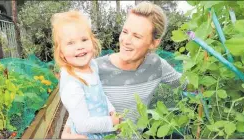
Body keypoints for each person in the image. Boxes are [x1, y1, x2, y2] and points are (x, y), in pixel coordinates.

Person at [62, 1, 184, 139]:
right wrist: (66, 134)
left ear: (154, 43)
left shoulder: (156, 66)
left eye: (137, 36)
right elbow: (77, 108)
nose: (126, 40)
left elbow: (187, 84)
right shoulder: (94, 68)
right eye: (125, 32)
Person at [51, 11, 121, 139]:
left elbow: (100, 94)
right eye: (71, 43)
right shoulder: (72, 83)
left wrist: (111, 109)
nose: (80, 47)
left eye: (84, 39)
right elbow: (83, 125)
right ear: (61, 53)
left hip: (104, 130)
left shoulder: (92, 66)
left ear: (92, 42)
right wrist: (112, 122)